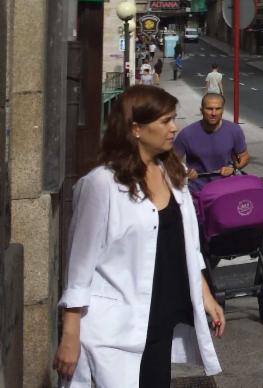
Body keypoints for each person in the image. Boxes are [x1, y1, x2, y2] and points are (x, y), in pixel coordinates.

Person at [53, 85, 224, 386]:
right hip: (113, 332)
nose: (174, 128)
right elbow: (79, 266)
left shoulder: (173, 174)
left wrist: (205, 295)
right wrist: (70, 333)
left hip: (160, 320)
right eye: (165, 121)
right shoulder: (101, 185)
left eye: (173, 119)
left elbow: (186, 246)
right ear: (136, 129)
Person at [174, 93, 251, 195]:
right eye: (209, 109)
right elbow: (171, 163)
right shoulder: (186, 134)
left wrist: (233, 168)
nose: (214, 113)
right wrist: (185, 172)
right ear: (201, 110)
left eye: (218, 109)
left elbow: (244, 156)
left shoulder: (234, 130)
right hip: (197, 192)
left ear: (222, 110)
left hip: (225, 190)